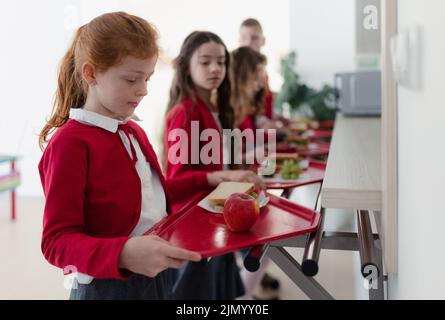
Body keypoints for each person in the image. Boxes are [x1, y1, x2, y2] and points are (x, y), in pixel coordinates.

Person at [38, 12, 201, 300]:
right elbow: (56, 242)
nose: (144, 90)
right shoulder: (69, 144)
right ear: (91, 73)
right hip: (108, 288)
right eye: (131, 79)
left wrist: (212, 183)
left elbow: (151, 196)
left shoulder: (132, 131)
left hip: (157, 278)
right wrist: (123, 254)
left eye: (148, 78)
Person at [164, 31, 264, 299]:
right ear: (186, 66)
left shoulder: (211, 106)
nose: (215, 69)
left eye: (221, 62)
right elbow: (172, 184)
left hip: (214, 218)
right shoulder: (185, 112)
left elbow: (215, 160)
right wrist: (218, 176)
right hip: (193, 225)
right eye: (205, 62)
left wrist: (242, 168)